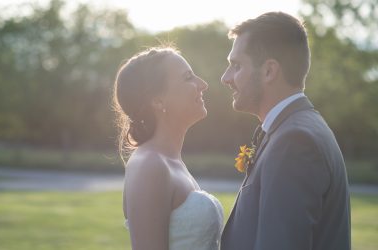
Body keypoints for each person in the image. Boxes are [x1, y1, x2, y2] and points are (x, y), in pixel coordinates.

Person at [220, 12, 351, 250]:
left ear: (269, 71)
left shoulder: (295, 141)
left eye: (236, 66)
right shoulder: (293, 129)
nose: (225, 78)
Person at [113, 47, 223, 250]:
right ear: (157, 100)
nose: (203, 84)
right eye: (188, 77)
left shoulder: (170, 161)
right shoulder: (149, 165)